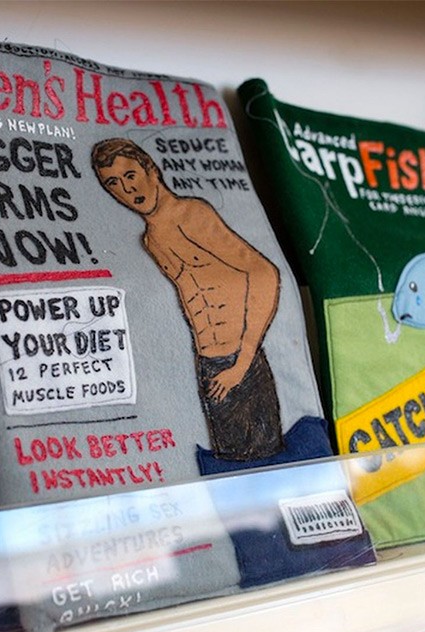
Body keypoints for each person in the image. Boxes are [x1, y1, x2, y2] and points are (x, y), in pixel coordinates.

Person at [91, 138, 284, 461]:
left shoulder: (191, 214)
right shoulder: (151, 239)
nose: (126, 188)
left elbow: (263, 273)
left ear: (151, 170)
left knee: (266, 463)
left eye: (130, 175)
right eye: (113, 183)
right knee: (231, 465)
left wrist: (242, 362)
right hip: (209, 362)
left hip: (242, 361)